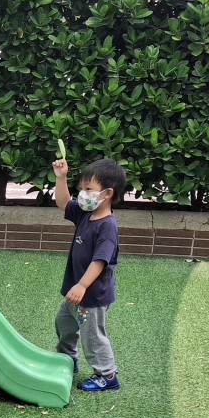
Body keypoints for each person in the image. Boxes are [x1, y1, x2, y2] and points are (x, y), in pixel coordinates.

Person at [52, 157, 125, 392]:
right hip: (75, 293)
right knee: (64, 323)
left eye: (88, 189)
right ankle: (68, 358)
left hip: (91, 296)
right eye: (81, 188)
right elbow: (63, 203)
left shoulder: (107, 226)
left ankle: (107, 375)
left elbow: (100, 261)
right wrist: (61, 177)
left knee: (92, 336)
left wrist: (82, 285)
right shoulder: (85, 213)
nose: (82, 194)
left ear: (107, 193)